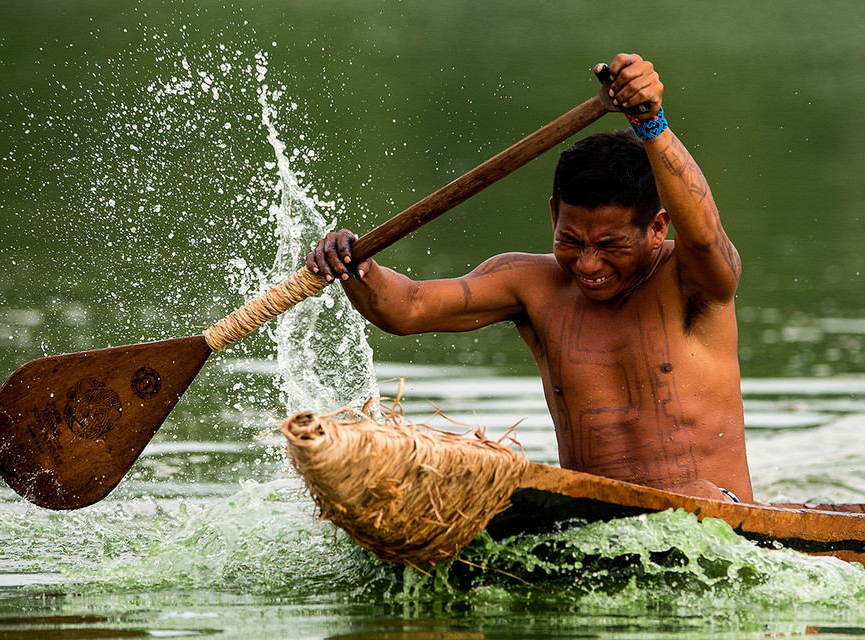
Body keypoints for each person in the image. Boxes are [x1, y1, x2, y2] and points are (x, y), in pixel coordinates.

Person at [306, 53, 753, 503]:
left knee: (701, 496)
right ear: (555, 214)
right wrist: (354, 263)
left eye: (611, 246)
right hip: (594, 531)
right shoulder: (530, 284)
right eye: (572, 241)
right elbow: (407, 307)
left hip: (722, 521)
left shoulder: (692, 280)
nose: (589, 264)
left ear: (658, 227)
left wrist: (651, 123)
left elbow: (705, 238)